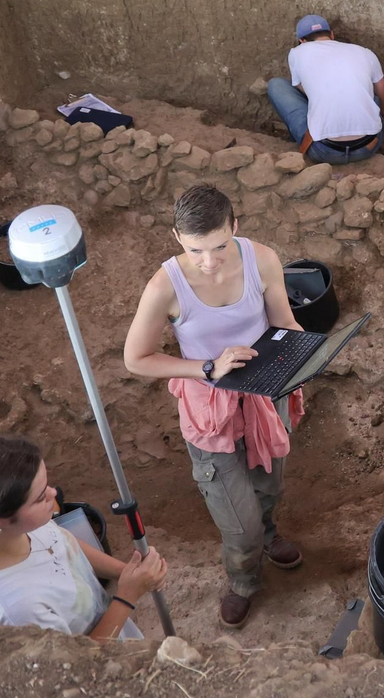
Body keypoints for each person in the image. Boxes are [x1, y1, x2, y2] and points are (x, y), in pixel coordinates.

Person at [124, 184, 307, 629]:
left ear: (235, 227)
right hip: (209, 411)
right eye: (196, 250)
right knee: (238, 522)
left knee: (269, 486)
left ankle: (269, 536)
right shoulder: (165, 286)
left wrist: (308, 354)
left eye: (220, 246)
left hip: (264, 396)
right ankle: (244, 580)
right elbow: (136, 359)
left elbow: (284, 322)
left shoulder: (261, 259)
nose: (210, 261)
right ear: (177, 238)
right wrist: (208, 368)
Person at [0, 436, 167, 640]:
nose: (53, 493)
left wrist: (126, 573)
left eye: (46, 485)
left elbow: (65, 543)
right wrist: (127, 596)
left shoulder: (16, 530)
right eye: (40, 497)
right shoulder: (16, 613)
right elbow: (81, 662)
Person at [266, 15, 384, 165]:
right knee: (373, 98)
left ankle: (299, 138)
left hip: (324, 151)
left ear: (302, 41)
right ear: (331, 34)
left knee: (276, 85)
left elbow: (303, 90)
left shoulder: (296, 53)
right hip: (368, 147)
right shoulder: (366, 53)